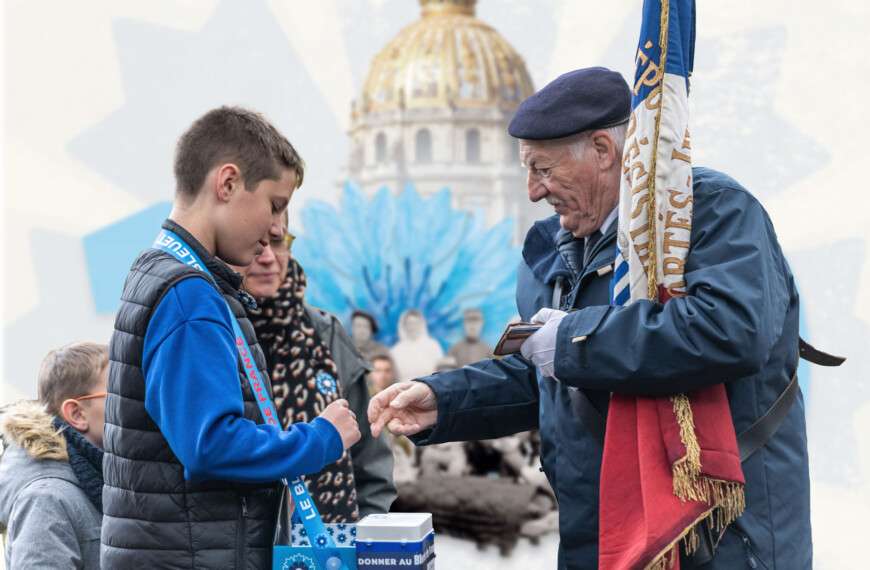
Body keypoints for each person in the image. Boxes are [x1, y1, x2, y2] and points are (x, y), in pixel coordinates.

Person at [369, 68, 812, 569]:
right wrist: (443, 401)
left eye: (543, 169)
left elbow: (730, 330)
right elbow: (554, 376)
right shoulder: (549, 251)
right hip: (601, 539)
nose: (534, 191)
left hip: (716, 541)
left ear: (603, 151)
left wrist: (572, 340)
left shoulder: (705, 212)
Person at [102, 107, 360, 568]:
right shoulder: (188, 294)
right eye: (276, 205)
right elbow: (211, 445)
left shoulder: (162, 273)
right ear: (227, 184)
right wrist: (321, 438)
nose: (278, 230)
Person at [230, 220, 396, 522]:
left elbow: (370, 459)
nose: (268, 257)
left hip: (331, 547)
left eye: (279, 241)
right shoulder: (211, 333)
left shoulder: (326, 333)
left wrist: (366, 536)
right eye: (257, 243)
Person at [0, 342, 108, 569]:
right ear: (77, 414)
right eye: (118, 395)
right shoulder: (45, 499)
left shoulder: (99, 479)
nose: (134, 405)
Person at [390, 309, 444, 382]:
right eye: (409, 323)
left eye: (415, 323)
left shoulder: (433, 345)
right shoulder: (396, 350)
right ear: (404, 326)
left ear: (421, 324)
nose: (412, 327)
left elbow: (441, 372)